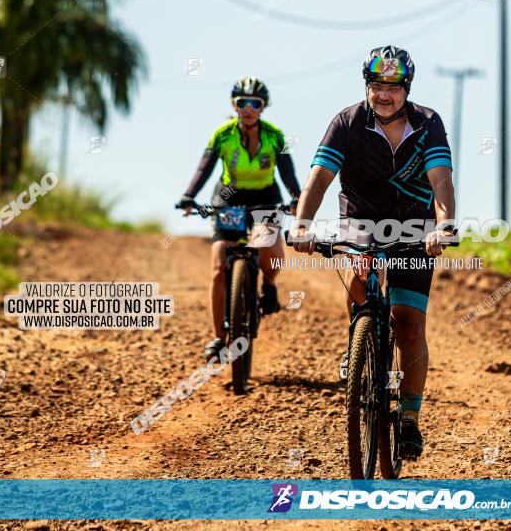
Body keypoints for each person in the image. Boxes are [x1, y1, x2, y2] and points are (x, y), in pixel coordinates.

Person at [289, 46, 456, 459]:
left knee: (410, 324)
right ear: (367, 86)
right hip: (360, 222)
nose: (384, 95)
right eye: (376, 85)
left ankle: (410, 418)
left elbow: (441, 181)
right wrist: (302, 224)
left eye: (393, 88)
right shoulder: (347, 122)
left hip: (415, 228)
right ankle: (360, 340)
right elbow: (319, 178)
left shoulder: (428, 123)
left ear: (406, 89)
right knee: (360, 280)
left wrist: (445, 225)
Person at [179, 77, 301, 362]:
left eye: (254, 103)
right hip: (229, 198)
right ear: (234, 105)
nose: (248, 108)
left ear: (263, 107)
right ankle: (217, 338)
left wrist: (297, 198)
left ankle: (268, 286)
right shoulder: (222, 135)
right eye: (242, 103)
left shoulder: (274, 136)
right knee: (219, 265)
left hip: (265, 197)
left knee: (271, 253)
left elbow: (288, 173)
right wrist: (188, 195)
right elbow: (204, 168)